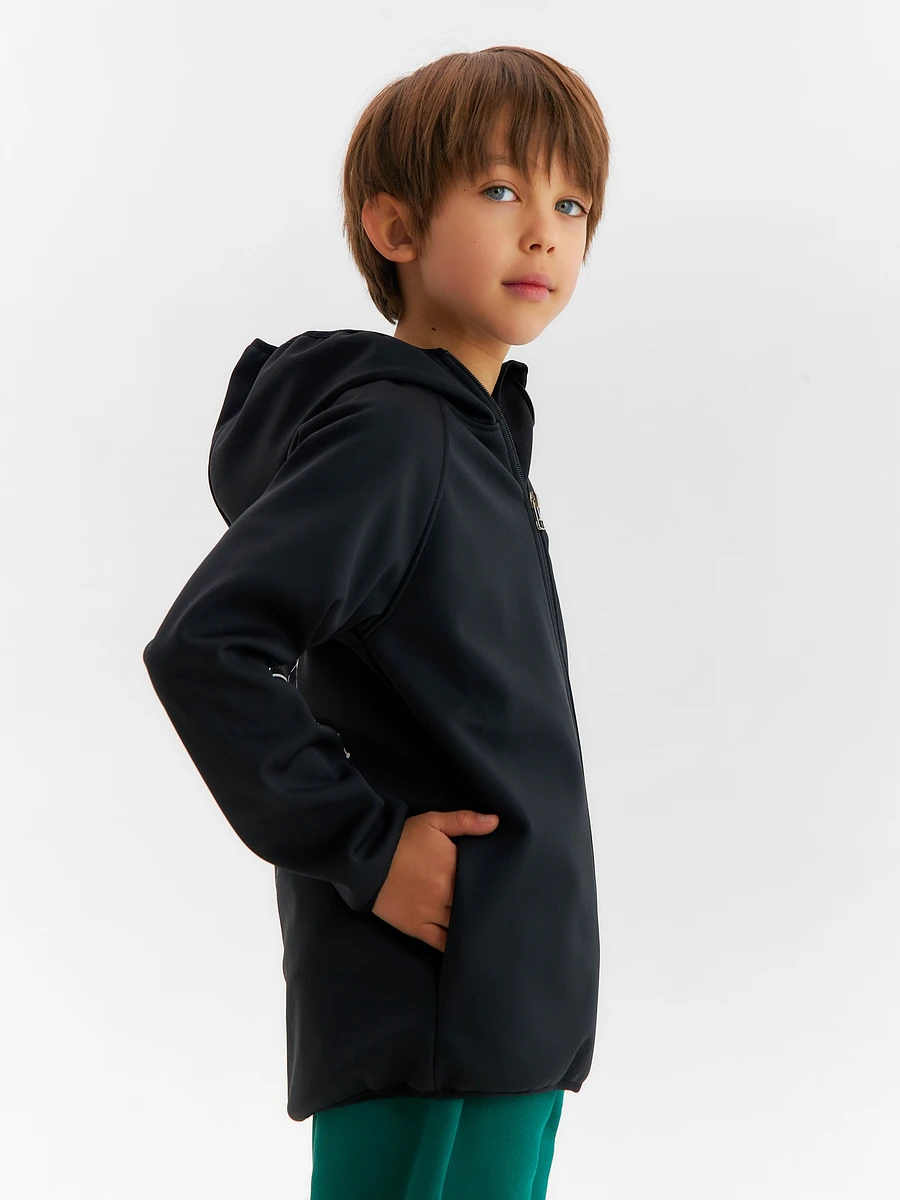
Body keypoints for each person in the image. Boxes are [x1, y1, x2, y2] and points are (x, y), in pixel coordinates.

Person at [143, 43, 610, 1200]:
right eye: (501, 189)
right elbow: (207, 648)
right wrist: (368, 846)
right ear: (396, 227)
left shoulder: (478, 439)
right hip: (431, 1010)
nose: (544, 232)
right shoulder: (402, 437)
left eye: (572, 204)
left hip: (502, 1003)